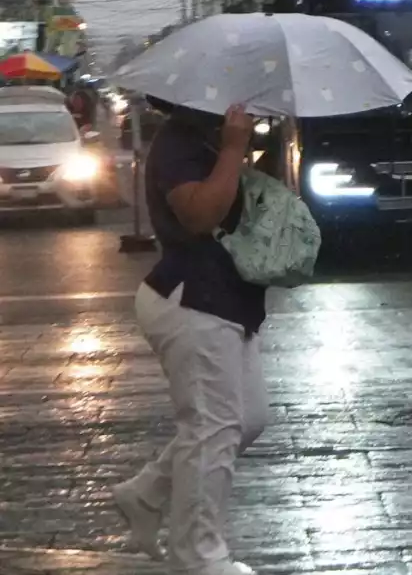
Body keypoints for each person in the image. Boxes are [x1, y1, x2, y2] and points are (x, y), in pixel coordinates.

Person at [110, 100, 269, 575]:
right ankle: (198, 558)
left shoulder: (209, 136)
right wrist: (236, 147)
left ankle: (147, 492)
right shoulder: (179, 141)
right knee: (211, 430)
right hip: (191, 299)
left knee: (247, 420)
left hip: (230, 300)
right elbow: (199, 215)